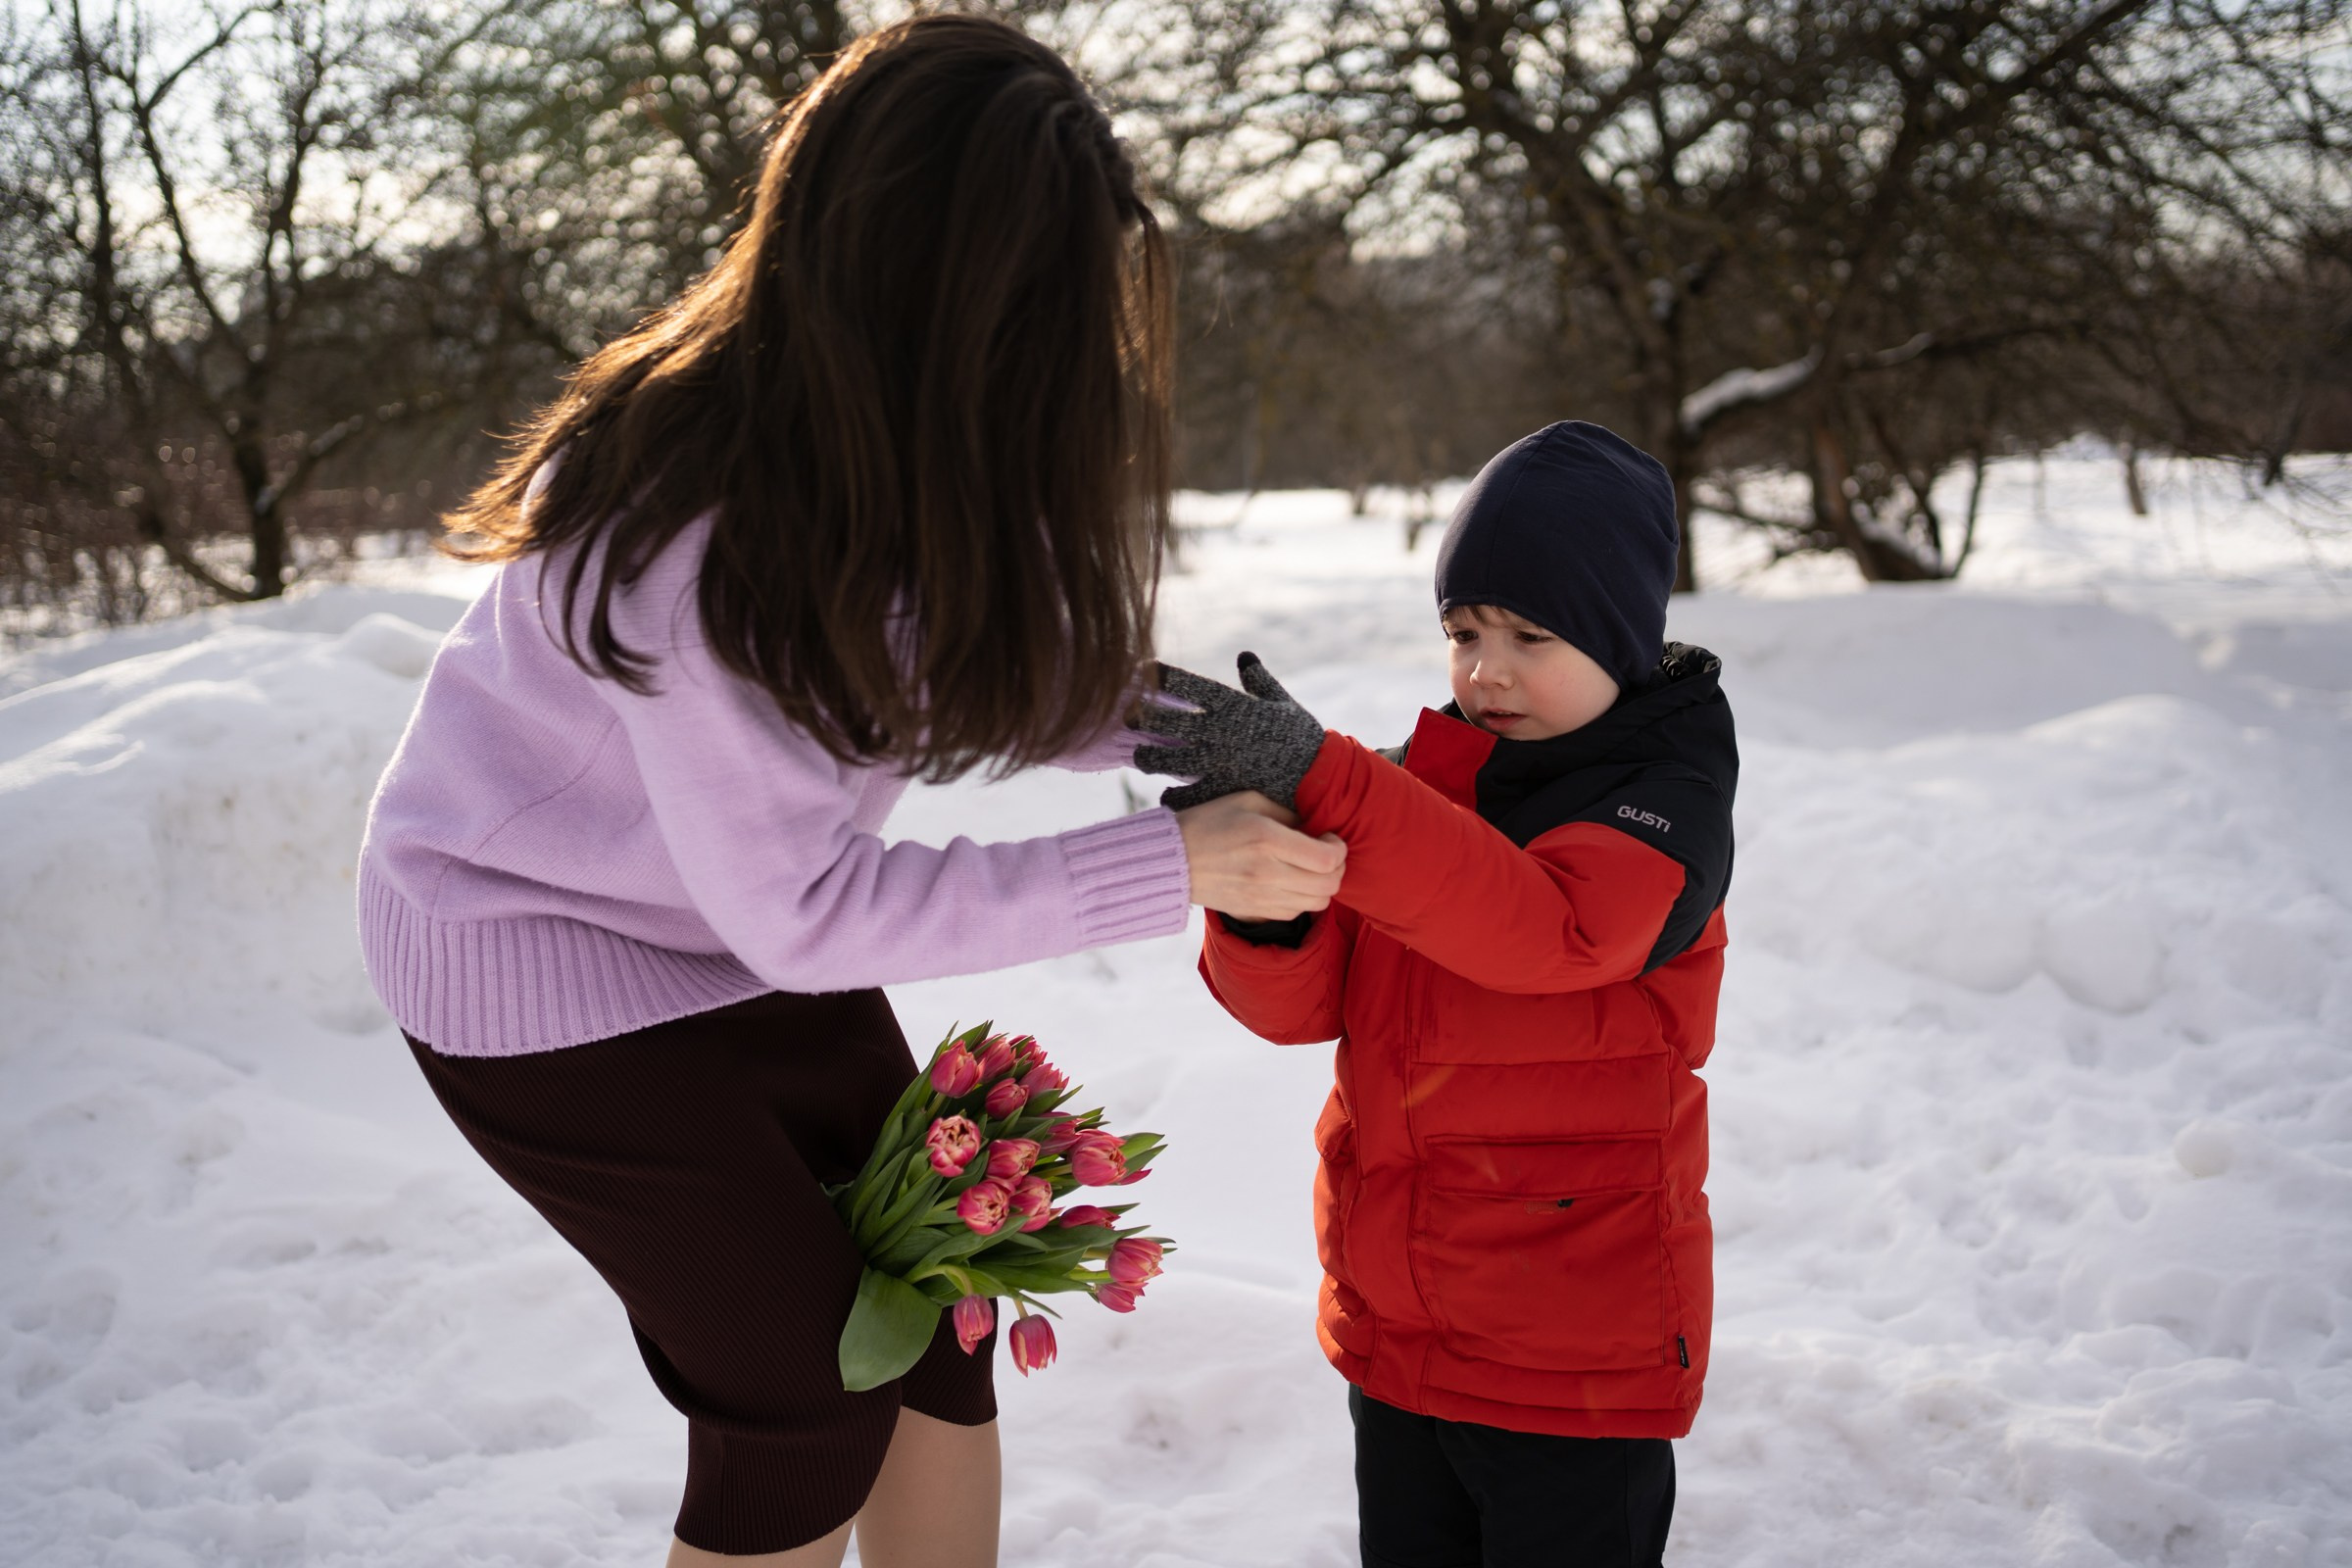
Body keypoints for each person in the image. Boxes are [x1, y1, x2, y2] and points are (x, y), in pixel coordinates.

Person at [354, 19, 1345, 1567]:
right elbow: (809, 916)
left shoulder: (895, 445)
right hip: (536, 964)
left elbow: (972, 658)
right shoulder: (690, 540)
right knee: (803, 1393)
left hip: (722, 924)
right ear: (936, 288)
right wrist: (1175, 865)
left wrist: (1198, 734)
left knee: (937, 1295)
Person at [1135, 420, 1737, 1568]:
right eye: (1463, 632)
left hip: (1572, 1361)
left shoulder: (1665, 798)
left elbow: (1547, 931)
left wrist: (1333, 782)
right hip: (1404, 1338)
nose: (1486, 669)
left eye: (1530, 634)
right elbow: (1302, 1009)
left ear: (1623, 635)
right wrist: (1272, 899)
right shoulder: (1418, 791)